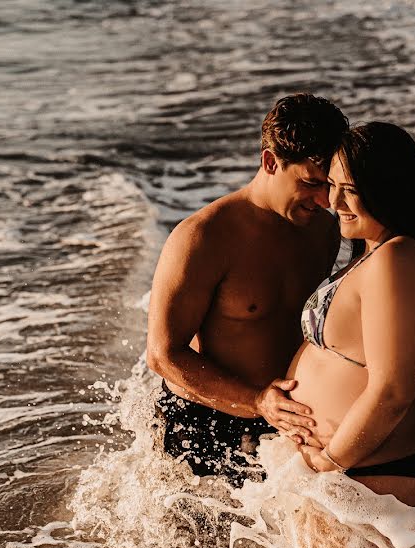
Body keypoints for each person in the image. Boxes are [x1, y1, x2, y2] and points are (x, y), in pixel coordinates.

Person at [146, 94, 348, 483]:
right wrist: (256, 400)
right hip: (203, 422)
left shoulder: (322, 230)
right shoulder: (202, 238)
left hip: (283, 417)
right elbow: (163, 356)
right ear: (271, 162)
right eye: (310, 184)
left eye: (330, 185)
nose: (324, 200)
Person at [287, 122, 415, 510]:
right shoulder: (374, 255)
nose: (335, 202)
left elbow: (393, 390)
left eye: (351, 190)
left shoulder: (396, 259)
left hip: (386, 470)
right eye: (331, 185)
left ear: (388, 189)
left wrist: (329, 463)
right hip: (359, 468)